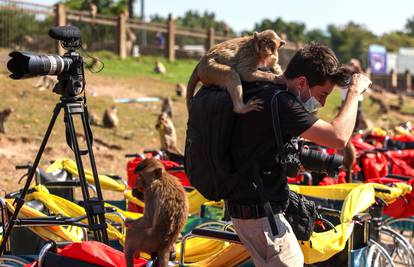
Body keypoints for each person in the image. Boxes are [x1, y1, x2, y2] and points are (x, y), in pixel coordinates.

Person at [226, 42, 371, 266]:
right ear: (302, 82)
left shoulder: (266, 92)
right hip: (262, 217)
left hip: (246, 210)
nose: (321, 103)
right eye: (322, 94)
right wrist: (353, 92)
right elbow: (338, 136)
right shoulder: (282, 103)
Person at [341, 58, 365, 132]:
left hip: (357, 98)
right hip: (345, 98)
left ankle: (356, 130)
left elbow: (365, 80)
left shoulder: (359, 74)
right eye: (350, 64)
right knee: (345, 115)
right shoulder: (345, 73)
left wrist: (359, 70)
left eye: (353, 65)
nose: (352, 67)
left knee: (357, 115)